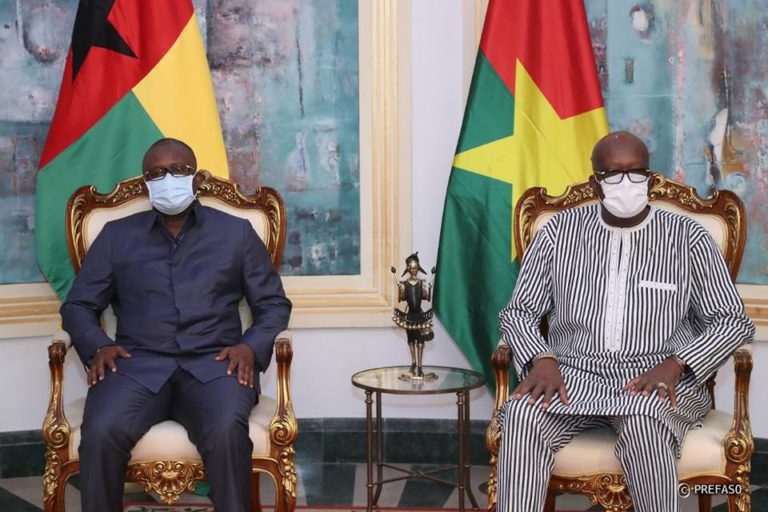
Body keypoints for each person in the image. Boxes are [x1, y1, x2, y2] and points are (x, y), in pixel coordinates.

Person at [495, 131, 754, 512]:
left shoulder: (688, 238)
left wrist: (677, 363)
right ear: (595, 182)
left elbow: (732, 320)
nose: (626, 183)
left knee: (642, 419)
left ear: (650, 177)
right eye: (613, 174)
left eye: (636, 173)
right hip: (573, 374)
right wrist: (541, 358)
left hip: (659, 379)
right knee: (521, 414)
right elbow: (519, 311)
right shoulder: (557, 234)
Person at [61, 138, 292, 512]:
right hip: (136, 365)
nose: (168, 179)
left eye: (178, 170)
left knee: (226, 431)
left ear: (197, 178)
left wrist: (250, 346)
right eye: (156, 174)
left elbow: (273, 304)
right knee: (101, 431)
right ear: (146, 184)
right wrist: (97, 345)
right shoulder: (117, 236)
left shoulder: (236, 233)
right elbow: (78, 305)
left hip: (216, 364)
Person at [391, 253, 435, 377]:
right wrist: (400, 289)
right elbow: (401, 299)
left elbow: (426, 298)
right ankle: (414, 363)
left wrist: (429, 288)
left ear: (419, 268)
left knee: (420, 341)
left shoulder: (421, 283)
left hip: (419, 316)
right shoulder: (405, 284)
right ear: (408, 269)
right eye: (411, 268)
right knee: (411, 340)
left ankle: (420, 366)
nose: (414, 270)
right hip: (409, 316)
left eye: (415, 268)